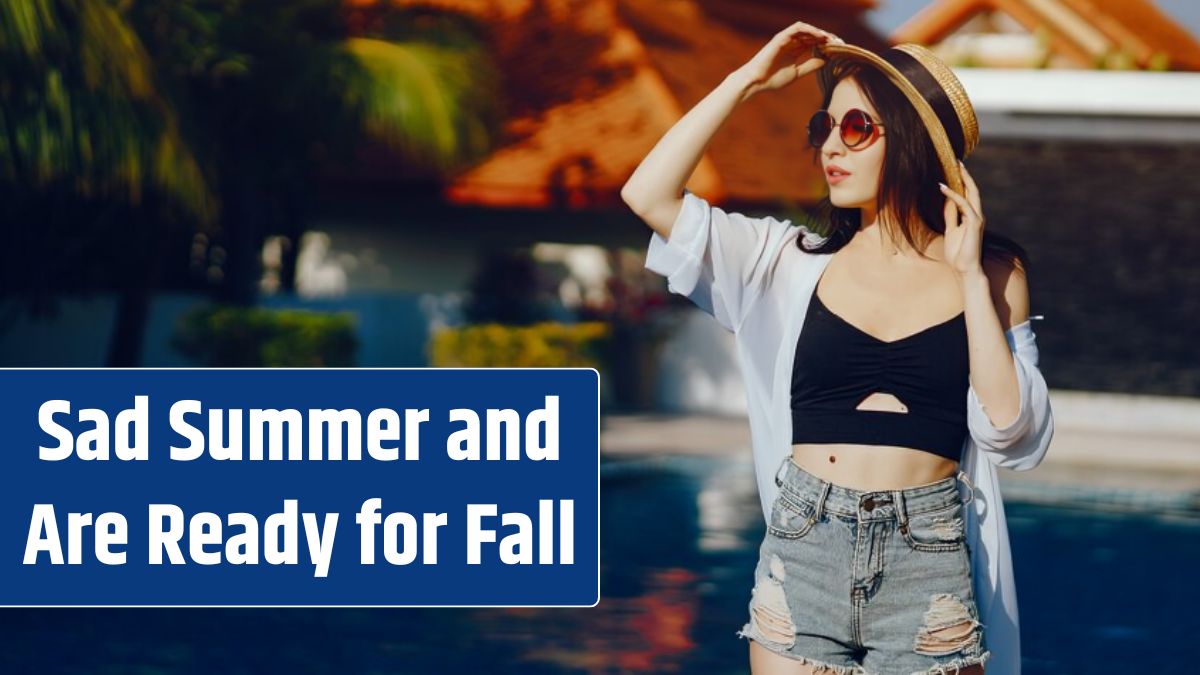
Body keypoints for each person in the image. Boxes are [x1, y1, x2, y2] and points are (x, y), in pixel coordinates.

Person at [621, 22, 1054, 675]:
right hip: (805, 547)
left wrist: (967, 278)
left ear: (909, 143)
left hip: (927, 556)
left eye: (856, 129)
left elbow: (1012, 433)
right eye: (824, 126)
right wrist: (747, 82)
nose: (830, 145)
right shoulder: (784, 261)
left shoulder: (991, 275)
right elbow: (646, 193)